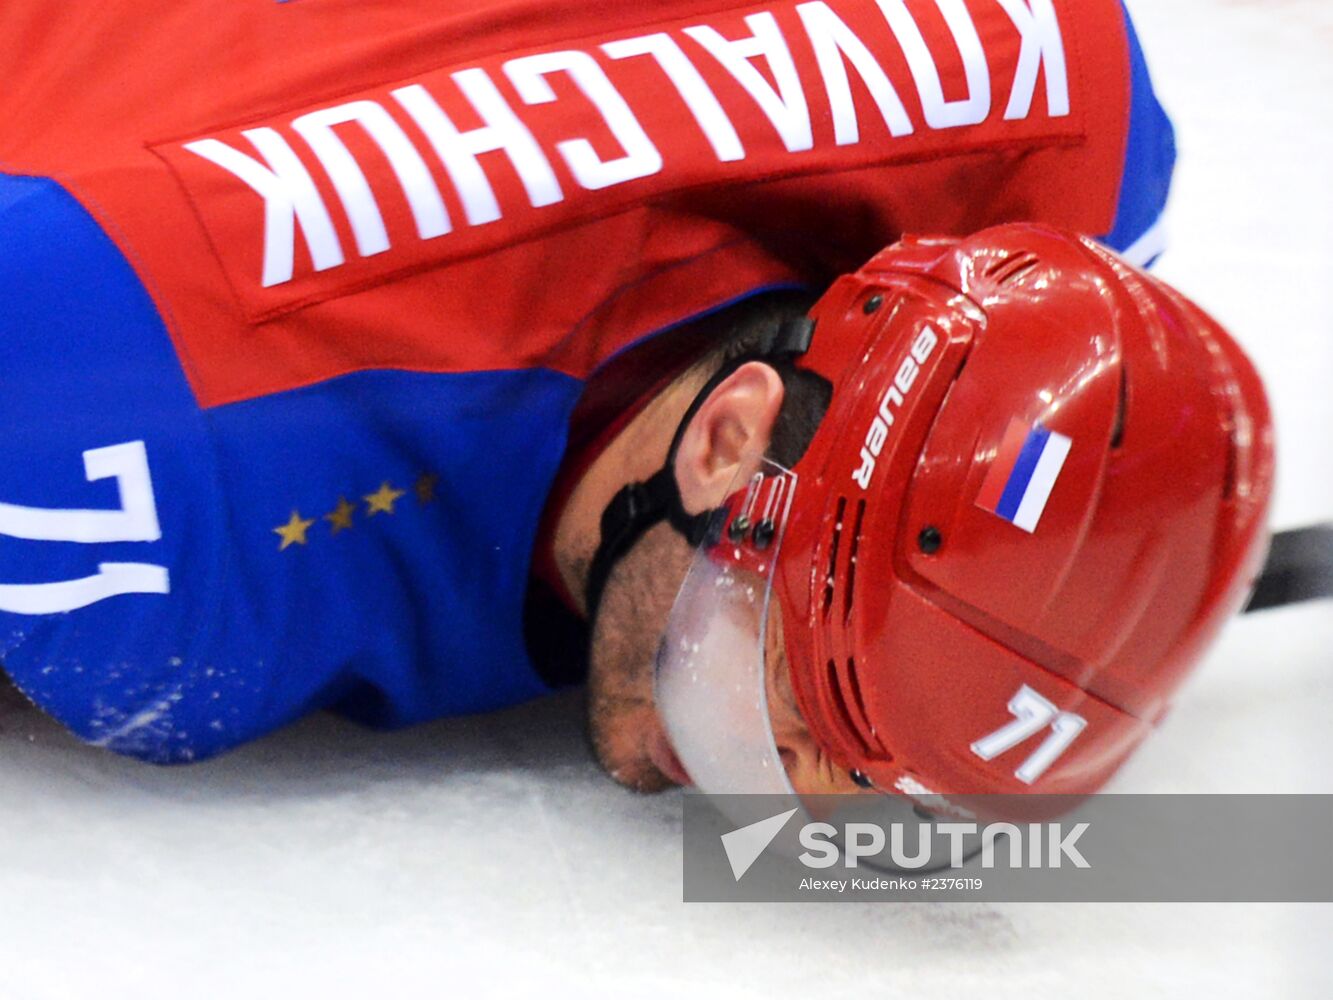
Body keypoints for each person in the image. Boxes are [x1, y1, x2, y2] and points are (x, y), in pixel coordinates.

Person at [0, 0, 1245, 805]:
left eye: (865, 773)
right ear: (725, 439)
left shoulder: (1076, 129)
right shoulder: (131, 472)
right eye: (798, 693)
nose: (772, 797)